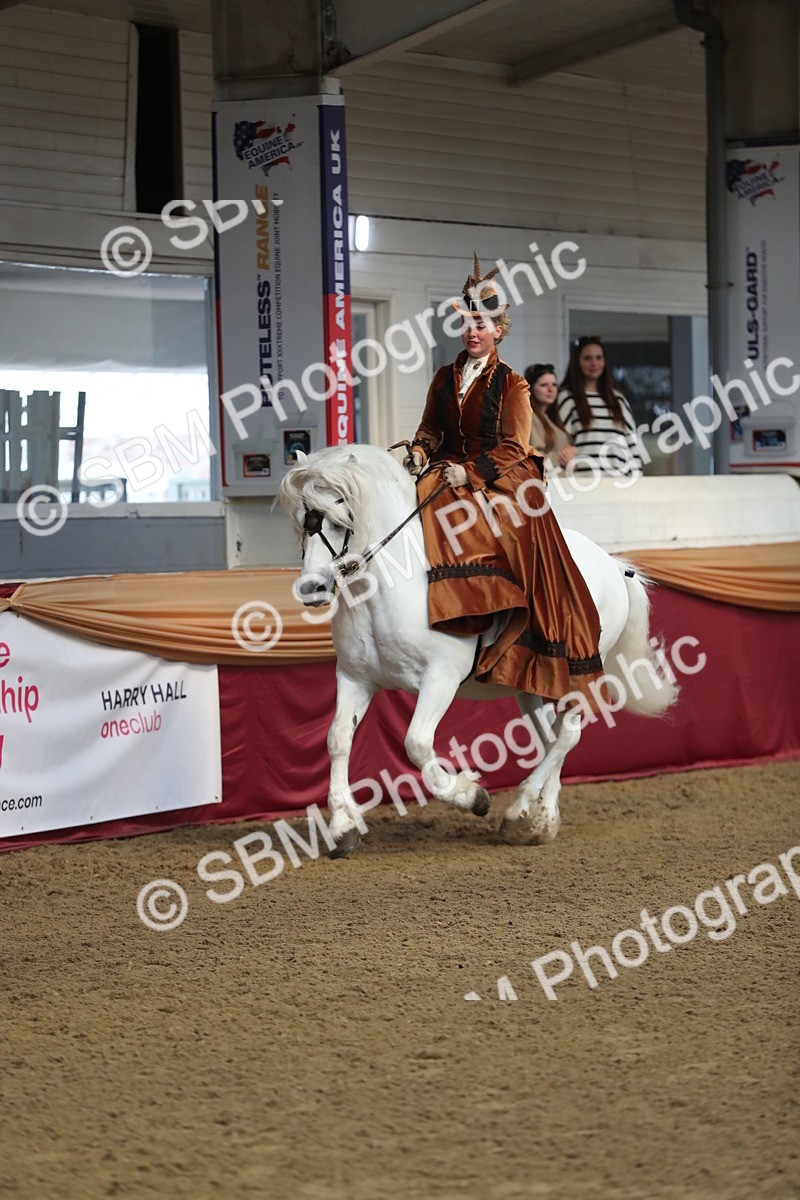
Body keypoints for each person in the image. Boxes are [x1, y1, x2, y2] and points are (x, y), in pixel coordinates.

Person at [403, 255, 605, 704]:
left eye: (483, 325)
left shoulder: (514, 384)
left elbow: (515, 445)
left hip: (503, 474)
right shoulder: (443, 377)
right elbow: (431, 428)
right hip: (446, 468)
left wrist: (469, 473)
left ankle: (498, 616)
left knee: (509, 530)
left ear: (498, 331)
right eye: (468, 325)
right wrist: (419, 450)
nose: (473, 332)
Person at [556, 336, 643, 478]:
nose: (594, 363)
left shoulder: (618, 400)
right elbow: (559, 442)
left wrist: (637, 479)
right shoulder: (567, 398)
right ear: (577, 362)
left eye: (598, 358)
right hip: (583, 482)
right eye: (587, 358)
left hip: (620, 483)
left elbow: (632, 444)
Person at [524, 363, 573, 474]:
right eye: (544, 385)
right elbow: (533, 459)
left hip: (562, 482)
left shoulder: (552, 419)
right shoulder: (530, 418)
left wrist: (572, 455)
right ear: (530, 388)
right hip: (545, 484)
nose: (551, 389)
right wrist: (563, 457)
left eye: (554, 385)